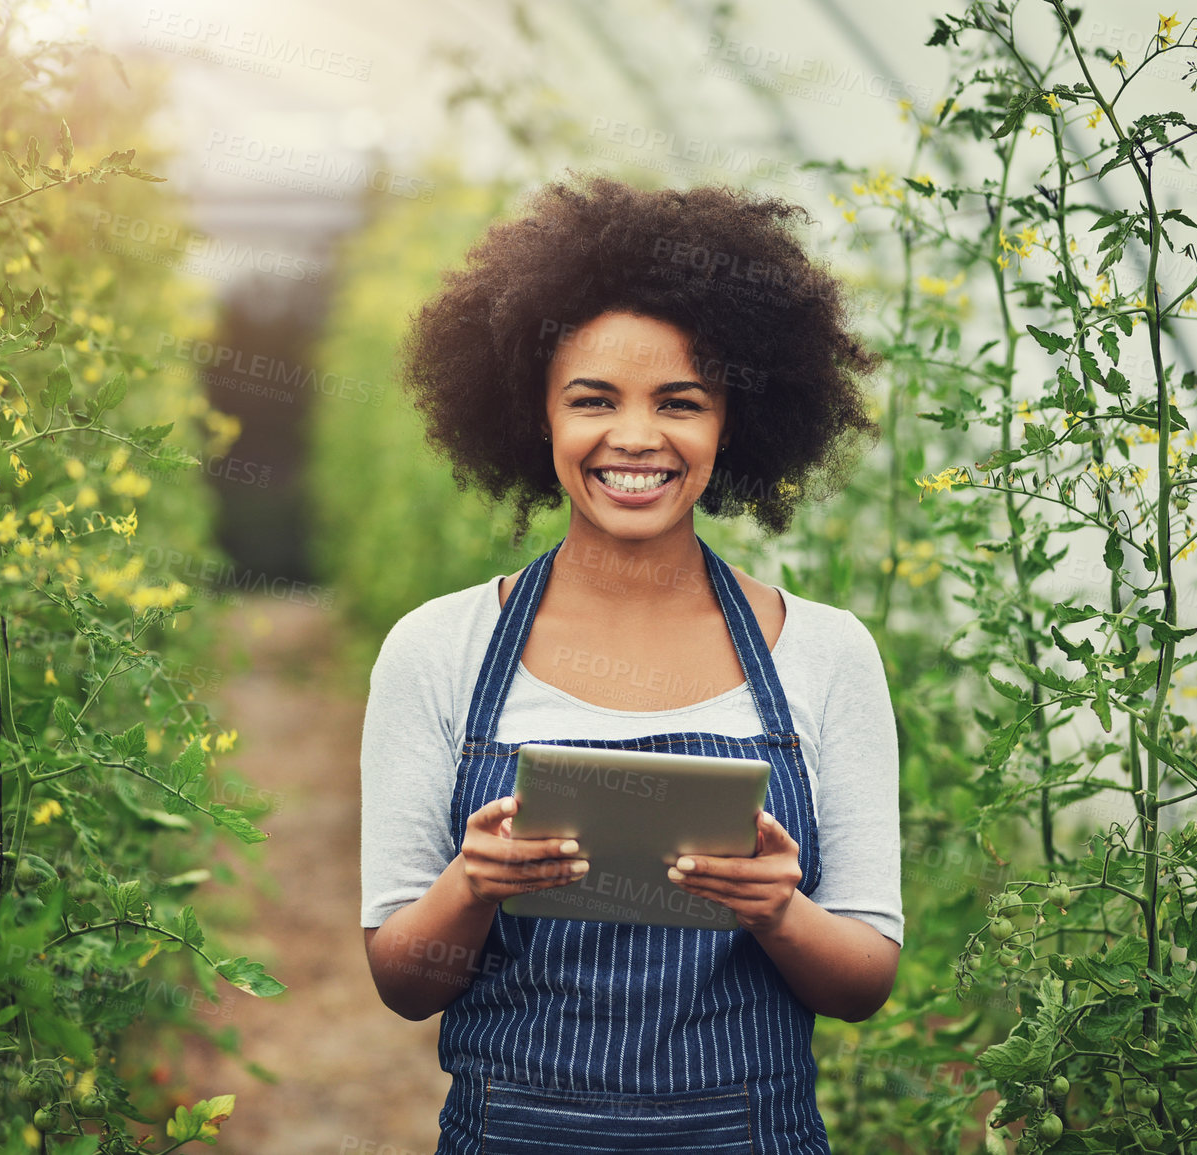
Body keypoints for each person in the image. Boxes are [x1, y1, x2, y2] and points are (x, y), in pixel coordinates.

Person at [358, 173, 902, 1153]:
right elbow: (403, 982)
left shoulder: (827, 654)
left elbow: (862, 982)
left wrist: (777, 910)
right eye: (593, 399)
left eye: (681, 401)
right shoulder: (437, 651)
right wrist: (472, 886)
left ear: (732, 421)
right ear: (537, 414)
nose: (637, 437)